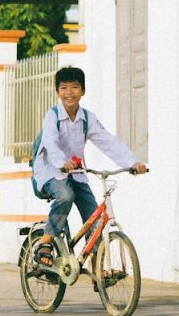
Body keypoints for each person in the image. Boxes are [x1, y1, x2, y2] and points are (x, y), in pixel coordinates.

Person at [31, 67, 147, 267]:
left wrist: (132, 163)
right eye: (64, 88)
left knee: (94, 217)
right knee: (66, 195)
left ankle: (98, 271)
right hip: (50, 172)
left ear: (83, 91)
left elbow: (108, 141)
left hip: (76, 174)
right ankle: (47, 242)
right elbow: (50, 141)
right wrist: (61, 162)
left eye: (75, 87)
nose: (70, 93)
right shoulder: (52, 116)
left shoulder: (87, 118)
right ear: (57, 91)